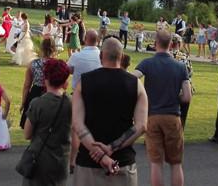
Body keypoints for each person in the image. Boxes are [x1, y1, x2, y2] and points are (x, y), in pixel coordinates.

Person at [72, 38, 148, 185]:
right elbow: (141, 126)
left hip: (88, 164)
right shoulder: (135, 84)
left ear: (101, 56)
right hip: (122, 162)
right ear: (122, 56)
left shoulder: (84, 82)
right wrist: (110, 148)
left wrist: (100, 155)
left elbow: (77, 124)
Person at [134, 31, 192, 186]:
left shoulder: (146, 63)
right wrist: (174, 97)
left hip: (152, 116)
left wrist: (143, 95)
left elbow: (132, 78)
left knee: (156, 163)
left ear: (155, 44)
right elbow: (187, 96)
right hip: (172, 116)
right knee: (176, 163)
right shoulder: (180, 67)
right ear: (172, 45)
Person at [22, 58, 73, 186]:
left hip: (39, 159)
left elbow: (27, 134)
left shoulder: (37, 104)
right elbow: (76, 135)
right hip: (61, 160)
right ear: (65, 81)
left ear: (46, 79)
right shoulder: (71, 103)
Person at [67, 29, 102, 171]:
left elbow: (68, 70)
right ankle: (95, 156)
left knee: (76, 129)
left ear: (85, 39)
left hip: (78, 94)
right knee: (94, 127)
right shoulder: (101, 56)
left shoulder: (77, 56)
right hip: (97, 95)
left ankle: (73, 161)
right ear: (98, 40)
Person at [20, 38, 58, 128]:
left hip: (35, 93)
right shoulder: (57, 64)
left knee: (32, 124)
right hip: (52, 93)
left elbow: (27, 85)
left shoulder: (33, 64)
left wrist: (24, 102)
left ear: (42, 49)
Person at [169, 35, 194, 128]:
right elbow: (190, 73)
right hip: (183, 91)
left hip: (168, 91)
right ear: (179, 44)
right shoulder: (184, 57)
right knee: (182, 118)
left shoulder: (166, 56)